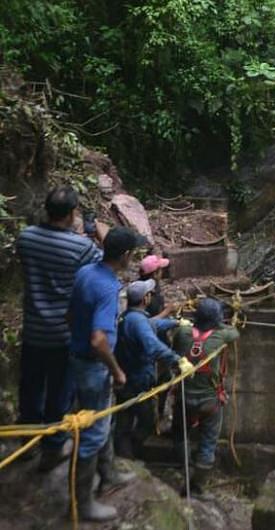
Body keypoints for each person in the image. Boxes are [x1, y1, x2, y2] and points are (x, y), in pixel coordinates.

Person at [15, 186, 102, 472]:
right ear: (72, 213)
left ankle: (26, 443)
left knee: (30, 387)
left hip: (33, 329)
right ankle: (52, 449)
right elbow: (101, 264)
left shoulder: (26, 239)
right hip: (64, 334)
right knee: (59, 393)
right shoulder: (83, 248)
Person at [68, 226, 147, 521]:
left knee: (103, 418)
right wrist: (116, 370)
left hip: (77, 357)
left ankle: (109, 473)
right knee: (93, 429)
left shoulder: (86, 272)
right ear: (126, 255)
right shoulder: (107, 287)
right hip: (94, 365)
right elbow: (99, 339)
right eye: (133, 254)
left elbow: (71, 312)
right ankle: (83, 504)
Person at [113, 280, 192, 460]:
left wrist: (175, 323)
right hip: (138, 378)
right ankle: (129, 454)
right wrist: (177, 359)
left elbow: (153, 325)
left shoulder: (129, 316)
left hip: (126, 374)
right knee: (146, 421)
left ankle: (122, 453)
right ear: (146, 298)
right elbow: (152, 345)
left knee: (124, 417)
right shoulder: (137, 321)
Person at [172, 298, 239, 495]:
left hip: (184, 398)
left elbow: (177, 347)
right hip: (209, 402)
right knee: (208, 441)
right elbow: (235, 332)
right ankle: (197, 485)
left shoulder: (183, 333)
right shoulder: (222, 336)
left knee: (179, 435)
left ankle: (186, 469)